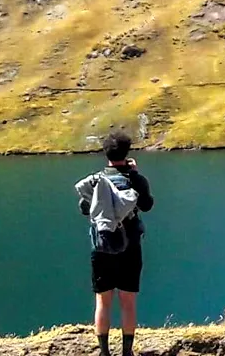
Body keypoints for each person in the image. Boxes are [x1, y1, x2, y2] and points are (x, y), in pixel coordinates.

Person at [75, 131, 154, 356]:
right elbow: (147, 205)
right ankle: (127, 352)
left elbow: (83, 208)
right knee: (128, 301)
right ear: (127, 153)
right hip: (130, 246)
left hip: (101, 246)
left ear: (105, 154)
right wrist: (135, 175)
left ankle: (104, 352)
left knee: (103, 300)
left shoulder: (97, 180)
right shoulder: (136, 179)